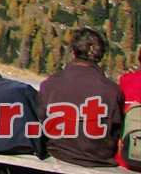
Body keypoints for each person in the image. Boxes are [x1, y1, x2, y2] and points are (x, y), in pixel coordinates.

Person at [37, 26, 124, 166]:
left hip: (58, 154)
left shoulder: (52, 83)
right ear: (100, 56)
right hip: (97, 161)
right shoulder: (112, 91)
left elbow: (40, 120)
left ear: (73, 52)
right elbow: (116, 131)